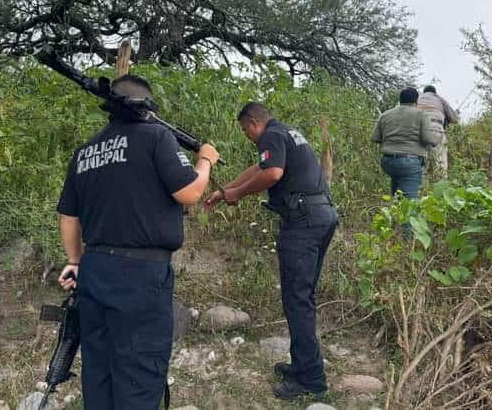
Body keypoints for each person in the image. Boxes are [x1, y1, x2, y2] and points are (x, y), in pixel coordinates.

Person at [55, 74, 220, 410]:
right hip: (141, 275)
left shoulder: (85, 152)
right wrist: (205, 159)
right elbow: (190, 192)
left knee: (99, 368)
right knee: (139, 373)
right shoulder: (157, 137)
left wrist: (74, 261)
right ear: (148, 109)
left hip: (95, 271)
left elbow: (68, 216)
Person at [203, 102, 337, 401]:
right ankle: (304, 365)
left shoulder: (270, 136)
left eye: (244, 130)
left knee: (297, 300)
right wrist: (227, 190)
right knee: (302, 297)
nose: (246, 136)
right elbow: (259, 168)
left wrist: (237, 193)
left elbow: (273, 173)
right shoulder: (286, 133)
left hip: (302, 222)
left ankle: (311, 381)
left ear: (254, 123)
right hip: (321, 216)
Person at [371, 87, 438, 201]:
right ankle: (405, 218)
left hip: (388, 162)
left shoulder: (385, 115)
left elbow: (374, 138)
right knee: (410, 204)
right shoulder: (421, 114)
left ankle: (395, 216)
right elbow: (429, 139)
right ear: (416, 101)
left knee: (398, 199)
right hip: (409, 163)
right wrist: (436, 140)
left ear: (400, 100)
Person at [417, 85, 459, 180]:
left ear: (424, 92)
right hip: (436, 130)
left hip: (419, 132)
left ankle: (422, 186)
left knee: (422, 162)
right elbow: (454, 119)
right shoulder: (440, 99)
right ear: (435, 93)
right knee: (440, 161)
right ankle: (442, 182)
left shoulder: (418, 98)